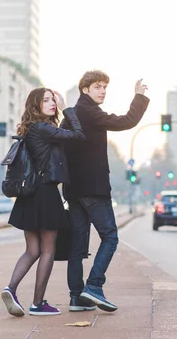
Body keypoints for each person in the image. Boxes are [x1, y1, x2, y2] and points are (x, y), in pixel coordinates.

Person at [63, 70, 149, 312]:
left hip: (73, 189)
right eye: (97, 86)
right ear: (85, 89)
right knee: (110, 237)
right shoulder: (90, 112)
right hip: (93, 188)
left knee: (77, 247)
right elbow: (125, 122)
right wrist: (139, 97)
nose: (102, 91)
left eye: (104, 87)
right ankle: (94, 286)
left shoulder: (71, 114)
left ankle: (76, 298)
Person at [1, 88, 85, 317]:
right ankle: (37, 303)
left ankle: (11, 288)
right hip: (46, 194)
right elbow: (78, 135)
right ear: (35, 106)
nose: (51, 103)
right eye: (46, 100)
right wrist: (67, 107)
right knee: (48, 249)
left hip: (29, 197)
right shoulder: (44, 129)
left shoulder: (31, 129)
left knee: (32, 250)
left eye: (52, 100)